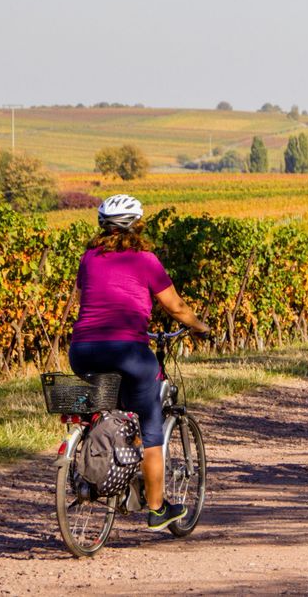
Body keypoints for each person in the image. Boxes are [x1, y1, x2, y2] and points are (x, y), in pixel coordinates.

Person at [69, 194, 210, 530]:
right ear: (138, 225)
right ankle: (157, 508)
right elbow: (174, 307)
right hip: (128, 350)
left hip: (83, 350)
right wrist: (201, 327)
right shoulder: (145, 260)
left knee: (106, 408)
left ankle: (98, 464)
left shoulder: (88, 258)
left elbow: (86, 296)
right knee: (149, 425)